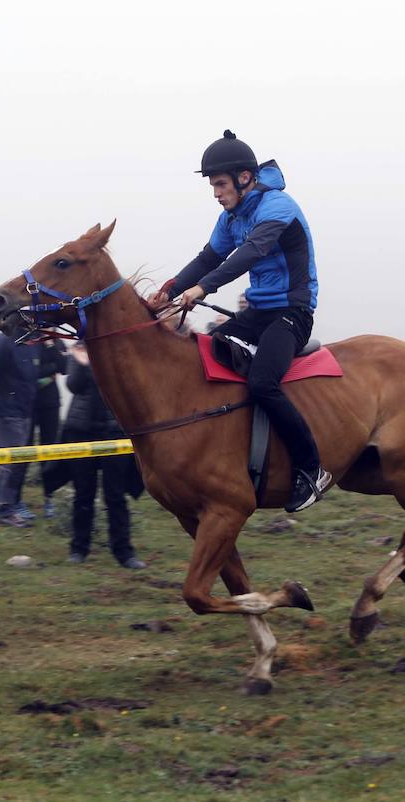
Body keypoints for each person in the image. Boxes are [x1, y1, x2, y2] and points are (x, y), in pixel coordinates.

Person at [152, 129, 329, 512]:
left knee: (263, 382)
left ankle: (312, 469)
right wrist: (167, 293)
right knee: (208, 356)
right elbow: (207, 259)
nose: (216, 192)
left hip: (292, 313)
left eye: (219, 184)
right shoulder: (230, 218)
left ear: (244, 178)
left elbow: (251, 253)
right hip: (258, 315)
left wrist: (202, 290)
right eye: (213, 186)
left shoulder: (278, 206)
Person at [63, 342, 146, 569]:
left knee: (116, 496)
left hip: (114, 431)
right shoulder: (79, 350)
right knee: (83, 495)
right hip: (82, 431)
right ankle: (79, 549)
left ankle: (124, 552)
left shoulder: (120, 351)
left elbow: (130, 387)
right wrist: (81, 363)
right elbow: (73, 385)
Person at [0, 322, 38, 527]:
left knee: (13, 462)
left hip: (23, 411)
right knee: (11, 463)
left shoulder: (31, 342)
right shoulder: (3, 342)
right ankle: (3, 510)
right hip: (6, 412)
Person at [29, 339, 68, 519]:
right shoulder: (29, 340)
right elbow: (30, 372)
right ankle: (13, 501)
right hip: (28, 404)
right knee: (25, 450)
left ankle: (49, 498)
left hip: (50, 404)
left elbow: (64, 367)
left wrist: (51, 346)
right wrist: (48, 374)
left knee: (49, 452)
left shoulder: (56, 342)